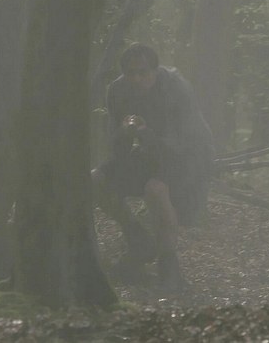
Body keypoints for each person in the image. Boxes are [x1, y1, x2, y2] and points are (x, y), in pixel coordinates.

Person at [92, 43, 214, 290]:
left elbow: (183, 143)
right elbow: (116, 147)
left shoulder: (175, 88)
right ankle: (138, 239)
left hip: (188, 157)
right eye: (131, 73)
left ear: (155, 70)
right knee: (96, 179)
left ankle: (168, 264)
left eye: (143, 72)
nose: (137, 79)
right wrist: (125, 133)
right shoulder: (117, 90)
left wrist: (145, 133)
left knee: (156, 190)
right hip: (149, 152)